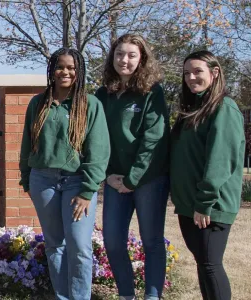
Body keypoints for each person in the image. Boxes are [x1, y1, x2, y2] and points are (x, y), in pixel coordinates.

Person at [19, 48, 110, 300]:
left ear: (79, 71)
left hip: (77, 183)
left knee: (79, 245)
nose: (65, 72)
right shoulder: (39, 103)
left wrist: (87, 190)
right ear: (52, 70)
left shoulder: (90, 104)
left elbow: (99, 151)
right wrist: (27, 178)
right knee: (54, 244)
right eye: (60, 67)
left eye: (71, 67)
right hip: (43, 181)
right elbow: (28, 143)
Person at [95, 34, 171, 300]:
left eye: (131, 55)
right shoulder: (103, 94)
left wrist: (133, 178)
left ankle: (152, 296)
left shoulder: (152, 92)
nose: (124, 60)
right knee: (113, 241)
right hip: (115, 179)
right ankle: (127, 295)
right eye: (119, 54)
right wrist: (107, 175)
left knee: (152, 242)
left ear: (142, 59)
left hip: (149, 179)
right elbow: (95, 138)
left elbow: (154, 138)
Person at [171, 50, 243, 300]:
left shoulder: (224, 108)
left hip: (210, 206)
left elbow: (220, 161)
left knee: (211, 264)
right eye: (187, 73)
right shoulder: (193, 108)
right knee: (204, 263)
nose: (191, 77)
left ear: (214, 73)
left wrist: (204, 203)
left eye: (197, 71)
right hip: (190, 205)